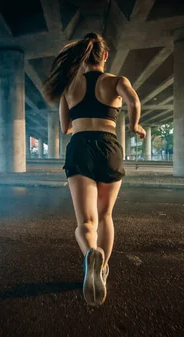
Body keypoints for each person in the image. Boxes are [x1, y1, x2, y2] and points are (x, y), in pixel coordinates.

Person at [43, 33, 146, 306]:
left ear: (83, 58)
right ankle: (101, 269)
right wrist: (135, 126)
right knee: (105, 215)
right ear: (105, 55)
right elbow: (134, 103)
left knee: (85, 223)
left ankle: (90, 253)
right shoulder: (116, 82)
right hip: (109, 146)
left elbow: (65, 128)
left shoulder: (69, 86)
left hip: (79, 147)